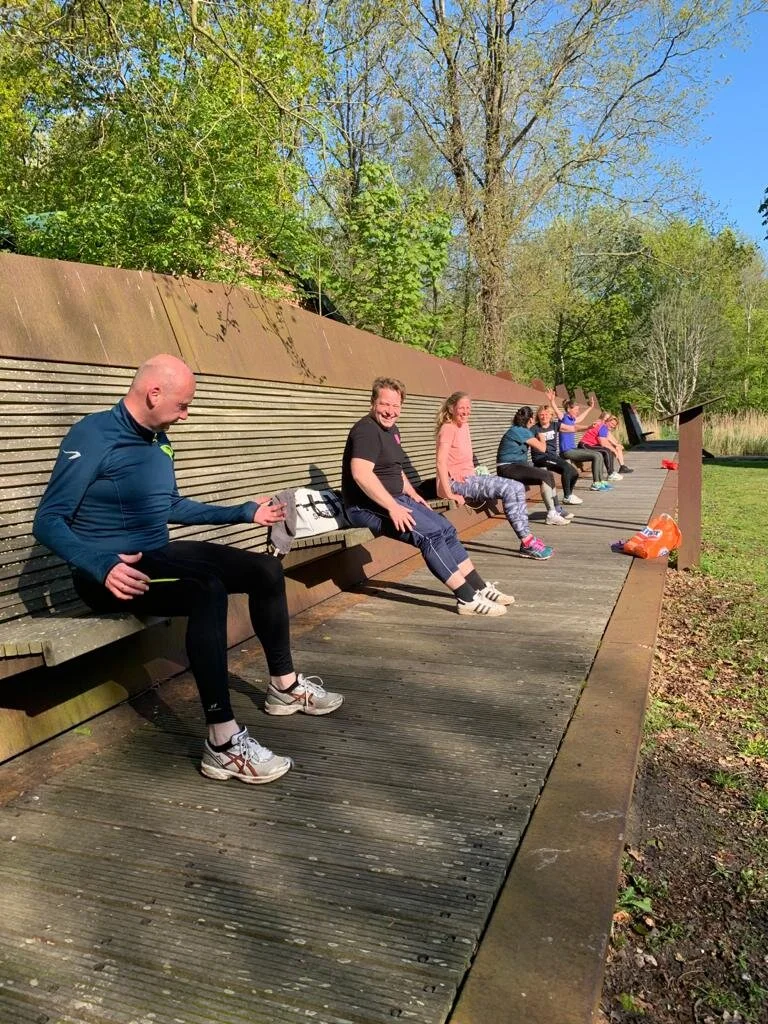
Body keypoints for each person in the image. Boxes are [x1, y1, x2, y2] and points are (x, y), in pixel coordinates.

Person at [33, 353, 343, 786]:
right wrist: (100, 564)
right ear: (153, 392)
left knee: (265, 572)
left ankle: (284, 687)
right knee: (206, 590)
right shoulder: (93, 435)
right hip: (108, 574)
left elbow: (171, 506)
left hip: (156, 556)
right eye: (182, 405)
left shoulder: (159, 440)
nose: (186, 414)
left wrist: (242, 512)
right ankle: (222, 742)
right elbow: (48, 520)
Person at [341, 377, 515, 617]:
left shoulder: (391, 430)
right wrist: (393, 507)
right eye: (385, 405)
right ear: (373, 402)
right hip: (366, 506)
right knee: (430, 536)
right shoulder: (366, 431)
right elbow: (361, 474)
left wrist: (412, 493)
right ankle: (466, 599)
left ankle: (479, 587)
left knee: (446, 528)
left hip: (395, 499)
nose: (390, 412)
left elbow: (394, 468)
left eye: (396, 406)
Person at [434, 392, 553, 560]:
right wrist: (448, 493)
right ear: (451, 408)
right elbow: (440, 462)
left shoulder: (464, 426)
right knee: (508, 489)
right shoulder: (447, 428)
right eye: (462, 408)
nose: (466, 412)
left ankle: (528, 539)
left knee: (517, 486)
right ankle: (527, 543)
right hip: (454, 482)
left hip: (470, 478)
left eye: (468, 408)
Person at [496, 407, 573, 525]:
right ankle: (551, 514)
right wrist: (542, 438)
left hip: (515, 466)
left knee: (548, 475)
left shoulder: (518, 429)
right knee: (545, 475)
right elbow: (542, 448)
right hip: (507, 467)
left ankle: (556, 510)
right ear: (531, 419)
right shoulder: (521, 431)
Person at [549, 393, 613, 492]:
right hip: (567, 451)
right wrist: (552, 400)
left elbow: (581, 417)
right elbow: (557, 410)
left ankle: (600, 481)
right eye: (576, 409)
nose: (578, 411)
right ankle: (595, 484)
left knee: (599, 454)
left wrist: (590, 407)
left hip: (573, 449)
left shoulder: (572, 419)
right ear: (569, 409)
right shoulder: (563, 417)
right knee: (596, 455)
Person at [531, 403, 582, 506]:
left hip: (553, 457)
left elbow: (572, 428)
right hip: (541, 458)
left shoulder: (555, 425)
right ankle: (567, 496)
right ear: (538, 416)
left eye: (546, 414)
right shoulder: (534, 429)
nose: (544, 416)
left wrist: (589, 427)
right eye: (541, 414)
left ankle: (569, 494)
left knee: (574, 473)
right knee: (566, 468)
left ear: (551, 416)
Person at [578, 412, 625, 481]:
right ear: (607, 421)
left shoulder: (604, 427)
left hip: (590, 445)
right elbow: (603, 443)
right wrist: (614, 450)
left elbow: (605, 441)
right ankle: (611, 474)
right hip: (585, 445)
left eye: (614, 425)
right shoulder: (603, 427)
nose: (613, 426)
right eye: (612, 424)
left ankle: (610, 473)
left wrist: (615, 446)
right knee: (607, 450)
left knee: (607, 450)